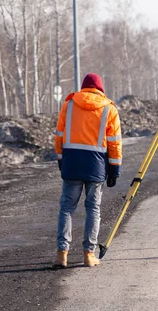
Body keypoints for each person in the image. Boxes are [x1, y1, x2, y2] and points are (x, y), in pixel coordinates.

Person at [53, 73, 122, 268]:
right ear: (100, 89)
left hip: (72, 162)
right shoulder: (109, 108)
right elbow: (114, 142)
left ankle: (62, 255)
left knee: (66, 208)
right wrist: (114, 169)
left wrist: (60, 159)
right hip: (96, 165)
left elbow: (59, 135)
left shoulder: (69, 104)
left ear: (84, 87)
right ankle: (88, 255)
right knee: (93, 209)